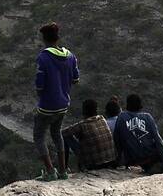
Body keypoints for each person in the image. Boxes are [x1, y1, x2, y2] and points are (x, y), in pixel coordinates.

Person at [33, 22, 78, 180]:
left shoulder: (43, 57)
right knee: (56, 133)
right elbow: (75, 79)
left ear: (44, 39)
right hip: (63, 104)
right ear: (57, 38)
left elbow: (39, 84)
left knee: (39, 136)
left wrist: (43, 94)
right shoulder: (70, 56)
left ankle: (50, 171)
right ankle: (63, 170)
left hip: (47, 105)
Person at [113, 93, 163, 173]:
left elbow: (117, 141)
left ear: (128, 105)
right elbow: (158, 140)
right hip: (151, 158)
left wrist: (120, 160)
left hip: (133, 160)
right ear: (140, 105)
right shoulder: (147, 117)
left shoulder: (121, 117)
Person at [62, 98, 117, 171]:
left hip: (94, 165)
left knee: (65, 136)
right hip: (111, 161)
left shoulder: (82, 125)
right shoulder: (102, 118)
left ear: (84, 111)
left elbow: (63, 132)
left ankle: (63, 168)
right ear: (96, 110)